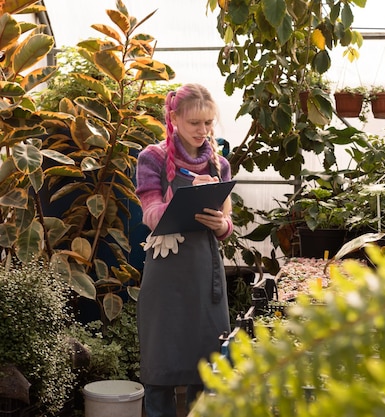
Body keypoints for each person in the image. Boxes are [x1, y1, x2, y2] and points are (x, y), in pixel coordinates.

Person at [135, 83, 233, 417]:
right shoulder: (153, 158)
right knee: (160, 368)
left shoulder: (220, 163)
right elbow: (150, 215)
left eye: (208, 123)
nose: (203, 131)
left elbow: (226, 223)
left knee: (206, 370)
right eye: (195, 123)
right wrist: (186, 195)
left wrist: (221, 225)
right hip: (166, 279)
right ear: (174, 118)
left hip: (206, 278)